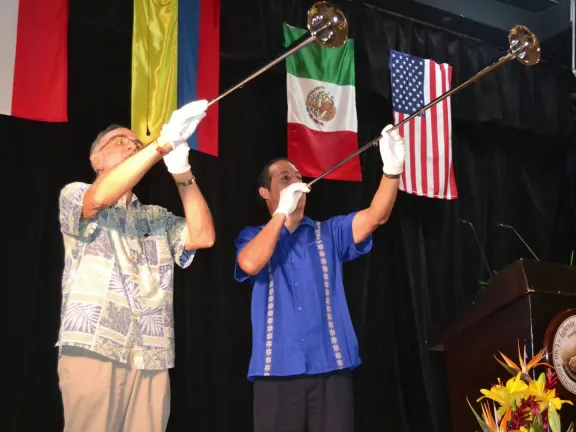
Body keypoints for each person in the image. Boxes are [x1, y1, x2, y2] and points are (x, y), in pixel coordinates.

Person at [55, 100, 215, 431]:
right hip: (96, 345)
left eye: (136, 143)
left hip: (151, 355)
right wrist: (161, 143)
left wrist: (181, 171)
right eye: (119, 141)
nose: (131, 145)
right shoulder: (76, 194)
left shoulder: (155, 216)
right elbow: (100, 198)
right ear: (95, 159)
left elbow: (202, 237)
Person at [234, 125, 405, 432]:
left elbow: (376, 215)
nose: (295, 182)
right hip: (275, 374)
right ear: (265, 193)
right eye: (284, 178)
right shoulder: (253, 236)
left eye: (298, 177)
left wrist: (392, 172)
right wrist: (280, 216)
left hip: (331, 369)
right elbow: (249, 263)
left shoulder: (329, 232)